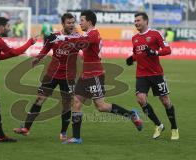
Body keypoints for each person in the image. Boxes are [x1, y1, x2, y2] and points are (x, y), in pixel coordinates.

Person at [50, 10, 143, 144]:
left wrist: (60, 37)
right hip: (85, 75)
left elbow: (80, 41)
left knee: (101, 106)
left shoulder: (94, 34)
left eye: (82, 20)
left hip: (95, 74)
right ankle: (76, 137)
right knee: (76, 103)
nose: (79, 23)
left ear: (89, 21)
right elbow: (79, 43)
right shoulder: (87, 34)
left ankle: (131, 115)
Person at [13, 13, 80, 141]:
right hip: (52, 74)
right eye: (69, 23)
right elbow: (46, 48)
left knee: (66, 104)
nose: (71, 25)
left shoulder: (78, 38)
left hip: (68, 76)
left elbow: (88, 50)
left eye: (73, 22)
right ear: (63, 24)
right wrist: (38, 58)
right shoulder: (54, 37)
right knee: (39, 99)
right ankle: (26, 128)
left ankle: (63, 132)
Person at [126, 12, 179, 140]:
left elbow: (168, 50)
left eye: (138, 20)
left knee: (165, 101)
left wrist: (154, 52)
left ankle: (174, 128)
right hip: (142, 75)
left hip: (156, 74)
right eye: (135, 21)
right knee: (141, 99)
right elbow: (138, 54)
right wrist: (131, 58)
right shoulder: (135, 38)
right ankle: (158, 125)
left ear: (146, 21)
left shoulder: (155, 34)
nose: (136, 23)